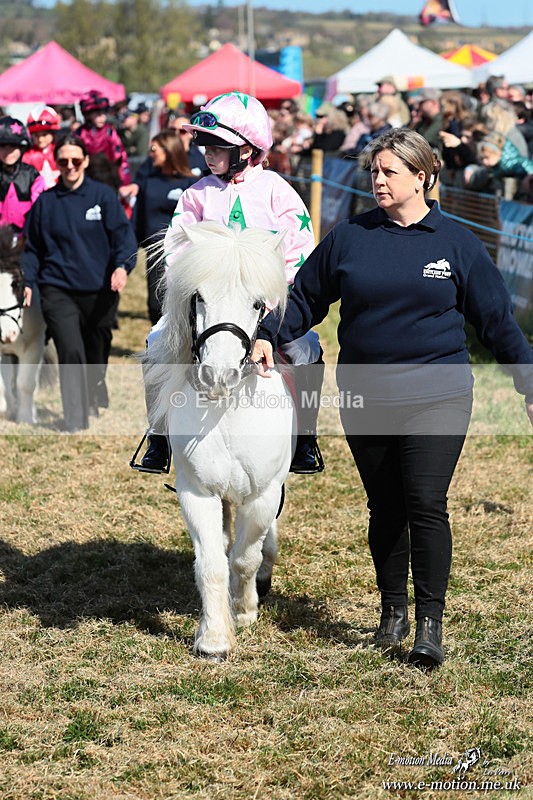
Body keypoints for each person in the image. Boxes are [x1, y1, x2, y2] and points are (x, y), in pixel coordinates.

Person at [252, 128, 533, 670]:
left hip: (439, 393)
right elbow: (306, 297)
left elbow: (496, 320)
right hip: (365, 394)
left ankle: (430, 624)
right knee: (384, 507)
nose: (378, 180)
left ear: (423, 176)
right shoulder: (349, 238)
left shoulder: (456, 243)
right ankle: (393, 613)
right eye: (374, 172)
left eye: (389, 172)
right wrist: (267, 332)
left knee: (425, 501)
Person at [135, 91, 324, 475]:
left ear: (248, 149)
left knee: (307, 348)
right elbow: (175, 251)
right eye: (205, 144)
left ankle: (305, 438)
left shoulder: (277, 190)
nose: (208, 154)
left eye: (219, 146)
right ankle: (158, 434)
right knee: (156, 342)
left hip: (265, 308)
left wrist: (272, 304)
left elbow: (300, 253)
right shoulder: (196, 194)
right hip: (207, 308)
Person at [22, 134, 137, 432]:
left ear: (85, 160)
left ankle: (94, 388)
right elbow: (32, 248)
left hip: (100, 291)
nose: (70, 166)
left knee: (95, 351)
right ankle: (75, 420)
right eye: (63, 161)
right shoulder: (46, 203)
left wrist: (122, 267)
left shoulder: (103, 196)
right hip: (57, 289)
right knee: (71, 350)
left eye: (76, 160)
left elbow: (123, 239)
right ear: (57, 163)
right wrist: (28, 281)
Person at [134, 129, 197, 324]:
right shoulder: (148, 182)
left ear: (169, 150)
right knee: (155, 304)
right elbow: (138, 218)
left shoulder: (192, 184)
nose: (150, 153)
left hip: (182, 253)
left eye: (154, 148)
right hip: (155, 253)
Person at [0, 116, 46, 234]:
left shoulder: (32, 174)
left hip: (26, 235)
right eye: (3, 146)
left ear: (22, 148)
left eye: (13, 146)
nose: (8, 152)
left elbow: (40, 208)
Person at [78, 91, 131, 187]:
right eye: (98, 114)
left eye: (104, 113)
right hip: (86, 178)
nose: (102, 117)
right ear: (88, 115)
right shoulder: (80, 133)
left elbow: (120, 156)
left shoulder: (109, 132)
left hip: (107, 178)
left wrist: (124, 180)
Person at [22, 105, 61, 188]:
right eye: (36, 135)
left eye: (44, 134)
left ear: (53, 134)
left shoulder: (59, 151)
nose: (40, 139)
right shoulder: (27, 156)